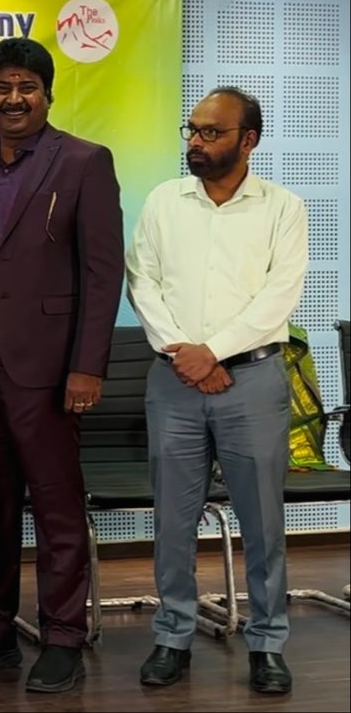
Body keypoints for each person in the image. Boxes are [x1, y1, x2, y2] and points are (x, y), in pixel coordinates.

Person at [0, 37, 124, 693]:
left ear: (47, 94)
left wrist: (87, 366)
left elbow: (102, 273)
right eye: (3, 87)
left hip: (47, 370)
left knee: (55, 506)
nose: (13, 99)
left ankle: (63, 636)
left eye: (26, 87)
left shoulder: (84, 161)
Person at [126, 87, 306, 695]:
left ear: (248, 140)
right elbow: (141, 280)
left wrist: (215, 351)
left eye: (211, 132)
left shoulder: (283, 208)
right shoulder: (164, 201)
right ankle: (173, 635)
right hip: (174, 379)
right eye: (192, 130)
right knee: (173, 520)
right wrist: (185, 353)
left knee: (262, 521)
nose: (196, 143)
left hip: (252, 380)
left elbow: (279, 296)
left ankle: (268, 642)